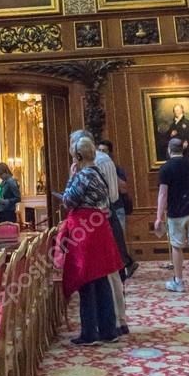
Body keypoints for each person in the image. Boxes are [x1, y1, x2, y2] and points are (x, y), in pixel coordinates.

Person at [59, 134, 123, 345]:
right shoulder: (98, 173)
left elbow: (69, 201)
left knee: (86, 280)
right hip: (99, 228)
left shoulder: (83, 175)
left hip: (85, 231)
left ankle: (89, 333)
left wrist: (70, 177)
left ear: (78, 156)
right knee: (101, 279)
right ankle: (108, 330)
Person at [72, 130, 130, 334]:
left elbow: (110, 195)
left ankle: (116, 320)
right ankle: (113, 322)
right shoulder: (96, 165)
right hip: (100, 220)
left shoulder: (99, 163)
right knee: (107, 273)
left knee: (109, 272)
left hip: (101, 221)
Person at [155, 138, 189, 295]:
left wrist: (158, 217)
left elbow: (163, 194)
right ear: (182, 150)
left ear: (169, 150)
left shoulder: (165, 168)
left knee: (177, 246)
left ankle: (179, 282)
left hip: (175, 213)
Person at [98, 139, 139, 280]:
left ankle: (124, 266)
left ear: (110, 153)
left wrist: (111, 175)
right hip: (104, 210)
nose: (101, 153)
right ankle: (126, 264)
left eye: (104, 151)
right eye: (100, 151)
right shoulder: (96, 167)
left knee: (117, 241)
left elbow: (123, 187)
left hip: (117, 208)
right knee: (112, 241)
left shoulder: (116, 168)